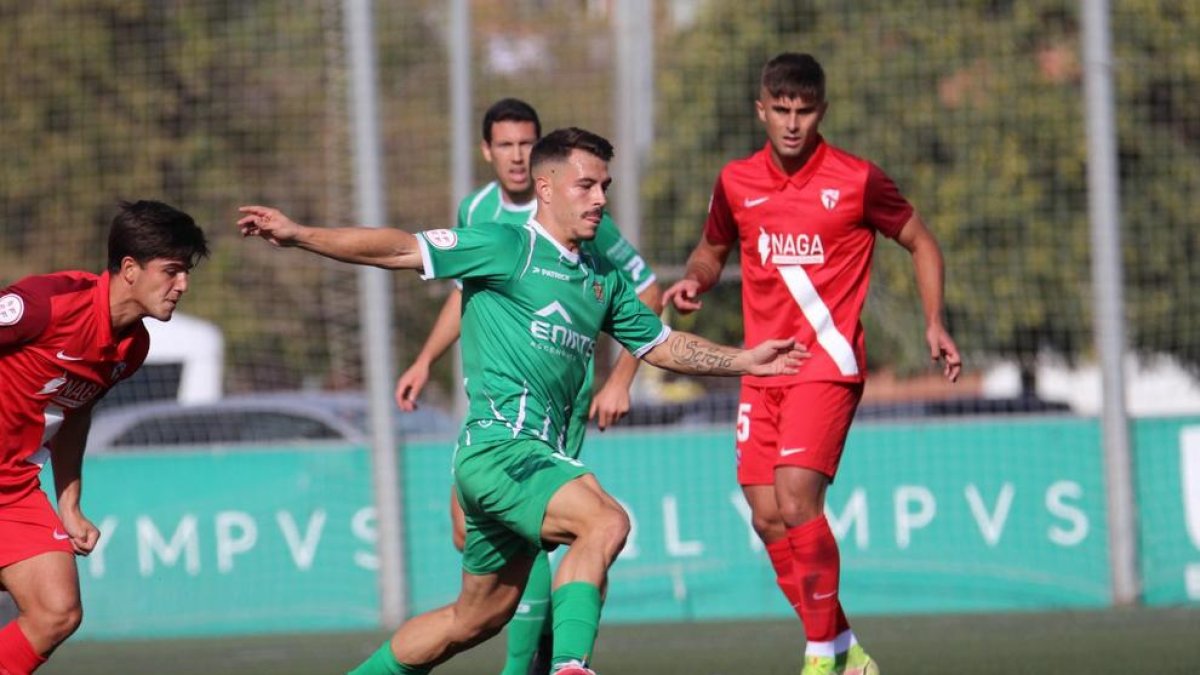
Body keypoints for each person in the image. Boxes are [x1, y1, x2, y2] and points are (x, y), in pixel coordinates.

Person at [238, 127, 808, 675]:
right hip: (501, 448)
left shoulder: (601, 277)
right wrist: (301, 234)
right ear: (546, 188)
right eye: (586, 185)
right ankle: (570, 666)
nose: (599, 198)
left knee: (475, 619)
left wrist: (745, 359)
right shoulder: (506, 245)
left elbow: (661, 344)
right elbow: (400, 249)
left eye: (605, 186)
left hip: (520, 462)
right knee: (605, 522)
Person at [662, 53, 962, 675]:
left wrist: (934, 320)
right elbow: (712, 247)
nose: (792, 124)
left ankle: (821, 657)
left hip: (826, 365)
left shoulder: (856, 180)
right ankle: (847, 651)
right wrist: (695, 280)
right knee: (767, 514)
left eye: (804, 111)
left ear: (821, 111)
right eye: (781, 111)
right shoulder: (736, 182)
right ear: (761, 110)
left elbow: (921, 241)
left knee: (798, 499)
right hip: (759, 368)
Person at [393, 98, 661, 675]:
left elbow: (647, 294)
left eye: (525, 142)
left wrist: (621, 377)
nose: (515, 155)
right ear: (489, 153)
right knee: (482, 563)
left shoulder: (591, 218)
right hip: (495, 420)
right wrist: (424, 358)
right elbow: (465, 289)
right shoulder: (481, 214)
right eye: (505, 145)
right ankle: (552, 657)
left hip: (552, 416)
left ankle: (551, 662)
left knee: (560, 534)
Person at [0, 200, 209, 675]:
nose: (182, 286)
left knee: (58, 611)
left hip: (12, 488)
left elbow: (75, 416)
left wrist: (69, 504)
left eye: (186, 273)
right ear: (130, 269)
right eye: (172, 271)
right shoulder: (45, 304)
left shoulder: (133, 347)